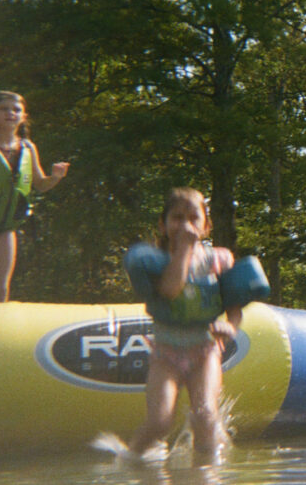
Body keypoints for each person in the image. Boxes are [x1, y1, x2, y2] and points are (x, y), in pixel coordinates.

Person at [126, 187, 242, 462]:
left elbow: (234, 309)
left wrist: (231, 327)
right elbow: (170, 290)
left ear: (206, 226)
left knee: (205, 416)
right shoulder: (154, 262)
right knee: (159, 423)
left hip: (204, 351)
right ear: (162, 224)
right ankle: (128, 463)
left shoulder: (220, 260)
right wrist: (185, 251)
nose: (185, 225)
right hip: (165, 354)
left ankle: (205, 473)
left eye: (194, 218)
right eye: (177, 218)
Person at [0, 90, 69, 302]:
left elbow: (41, 185)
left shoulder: (27, 147)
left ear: (23, 116)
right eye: (4, 109)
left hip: (4, 224)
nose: (10, 113)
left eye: (16, 110)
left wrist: (56, 177)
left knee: (0, 286)